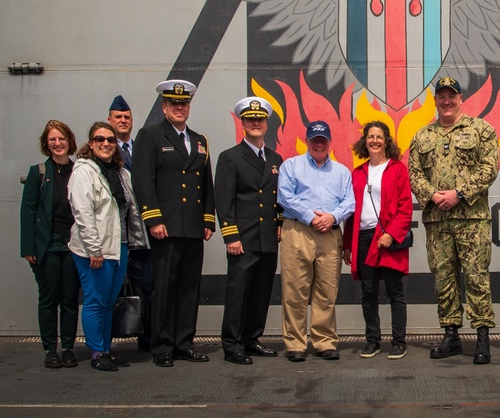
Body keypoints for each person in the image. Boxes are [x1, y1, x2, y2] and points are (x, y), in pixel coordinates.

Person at [409, 76, 500, 364]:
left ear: (461, 98)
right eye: (442, 96)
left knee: (476, 278)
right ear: (435, 100)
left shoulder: (481, 129)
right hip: (438, 221)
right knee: (444, 279)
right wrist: (435, 196)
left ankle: (482, 335)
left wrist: (459, 193)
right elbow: (414, 173)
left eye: (452, 95)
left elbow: (489, 168)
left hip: (471, 219)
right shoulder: (422, 136)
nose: (447, 101)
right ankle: (451, 335)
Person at [131, 79, 215, 367]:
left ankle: (184, 342)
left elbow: (206, 184)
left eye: (184, 103)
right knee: (164, 288)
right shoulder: (150, 136)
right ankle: (162, 345)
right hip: (165, 227)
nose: (179, 108)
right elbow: (143, 180)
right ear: (164, 106)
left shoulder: (200, 140)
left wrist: (208, 219)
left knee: (189, 288)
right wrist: (153, 218)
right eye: (174, 104)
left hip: (192, 227)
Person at [68, 121, 148, 371]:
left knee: (109, 300)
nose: (106, 144)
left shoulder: (121, 173)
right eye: (100, 139)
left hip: (119, 245)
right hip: (95, 249)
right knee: (96, 300)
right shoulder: (84, 171)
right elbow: (83, 212)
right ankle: (96, 352)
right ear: (90, 144)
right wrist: (93, 248)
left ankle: (105, 349)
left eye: (111, 140)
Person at [278, 120, 354, 362]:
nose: (319, 144)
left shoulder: (342, 171)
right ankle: (295, 343)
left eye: (323, 140)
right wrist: (312, 217)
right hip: (298, 231)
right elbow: (285, 196)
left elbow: (349, 202)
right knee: (295, 290)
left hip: (330, 234)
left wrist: (332, 217)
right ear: (307, 141)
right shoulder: (291, 166)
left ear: (330, 143)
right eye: (314, 140)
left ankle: (324, 341)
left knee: (326, 291)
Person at [215, 97, 283, 365]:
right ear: (243, 123)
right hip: (243, 239)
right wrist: (231, 236)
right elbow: (224, 200)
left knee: (261, 292)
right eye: (250, 119)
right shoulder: (230, 157)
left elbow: (279, 198)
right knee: (238, 293)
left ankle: (252, 339)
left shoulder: (276, 158)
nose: (256, 123)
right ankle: (232, 344)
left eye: (260, 119)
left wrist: (279, 223)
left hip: (268, 238)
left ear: (266, 124)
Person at [344, 121, 413, 360]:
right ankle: (372, 341)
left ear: (387, 141)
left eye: (380, 137)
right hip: (363, 237)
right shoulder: (357, 172)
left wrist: (391, 234)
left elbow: (405, 208)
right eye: (371, 136)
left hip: (388, 237)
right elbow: (350, 212)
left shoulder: (397, 169)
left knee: (395, 291)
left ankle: (398, 341)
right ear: (365, 141)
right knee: (368, 291)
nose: (375, 140)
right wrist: (346, 244)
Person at [20, 120, 81, 370]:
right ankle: (49, 350)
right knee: (48, 299)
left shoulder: (78, 171)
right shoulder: (38, 172)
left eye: (61, 138)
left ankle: (67, 348)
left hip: (73, 245)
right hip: (47, 246)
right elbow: (27, 211)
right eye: (52, 139)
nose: (57, 143)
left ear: (70, 141)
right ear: (47, 144)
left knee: (69, 299)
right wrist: (29, 248)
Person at [108, 95, 153, 351]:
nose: (123, 121)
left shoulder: (142, 149)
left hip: (144, 231)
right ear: (109, 120)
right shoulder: (103, 149)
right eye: (118, 118)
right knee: (112, 291)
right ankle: (105, 344)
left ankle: (147, 340)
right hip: (118, 233)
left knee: (147, 287)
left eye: (126, 118)